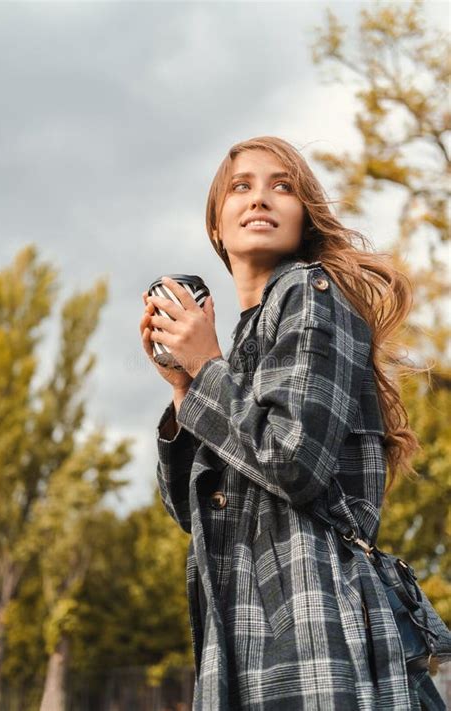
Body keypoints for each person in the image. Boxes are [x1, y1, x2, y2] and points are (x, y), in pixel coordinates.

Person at [139, 136, 446, 710]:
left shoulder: (311, 294)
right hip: (249, 635)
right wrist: (185, 388)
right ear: (216, 226)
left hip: (315, 622)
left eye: (282, 187)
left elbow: (292, 460)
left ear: (305, 218)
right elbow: (195, 513)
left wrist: (205, 368)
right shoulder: (244, 346)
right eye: (241, 187)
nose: (261, 198)